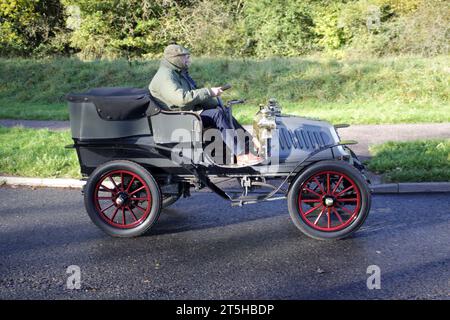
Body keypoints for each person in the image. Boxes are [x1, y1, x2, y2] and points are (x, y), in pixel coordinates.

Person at [149, 44, 262, 166]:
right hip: (177, 120)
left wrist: (215, 102)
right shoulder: (165, 76)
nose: (188, 60)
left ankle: (250, 145)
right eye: (185, 57)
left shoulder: (178, 73)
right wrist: (209, 92)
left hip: (186, 115)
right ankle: (241, 155)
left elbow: (195, 97)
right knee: (217, 114)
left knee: (221, 111)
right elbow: (182, 99)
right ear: (175, 58)